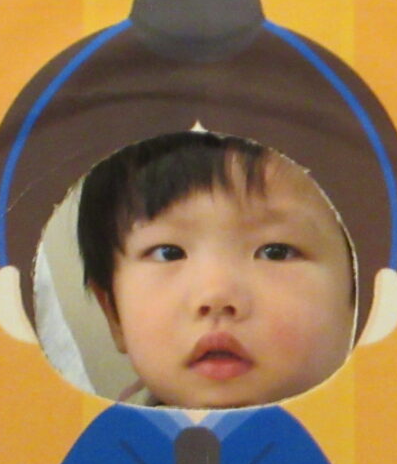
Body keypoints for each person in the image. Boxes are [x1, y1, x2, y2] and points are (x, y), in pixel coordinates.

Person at [77, 132, 356, 409]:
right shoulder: (96, 438)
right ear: (113, 314)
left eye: (276, 252)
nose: (215, 296)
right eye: (169, 253)